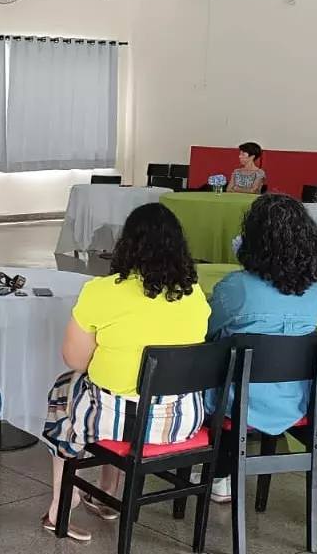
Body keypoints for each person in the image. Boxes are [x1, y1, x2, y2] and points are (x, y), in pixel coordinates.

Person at [40, 203, 212, 542]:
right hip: (181, 421)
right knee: (114, 390)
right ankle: (108, 494)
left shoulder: (102, 292)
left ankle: (61, 504)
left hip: (116, 420)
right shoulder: (195, 297)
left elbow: (73, 359)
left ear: (126, 245)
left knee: (64, 391)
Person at [205, 194, 317, 503]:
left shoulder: (237, 285)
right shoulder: (315, 287)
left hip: (235, 399)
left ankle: (216, 472)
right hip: (294, 396)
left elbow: (206, 330)